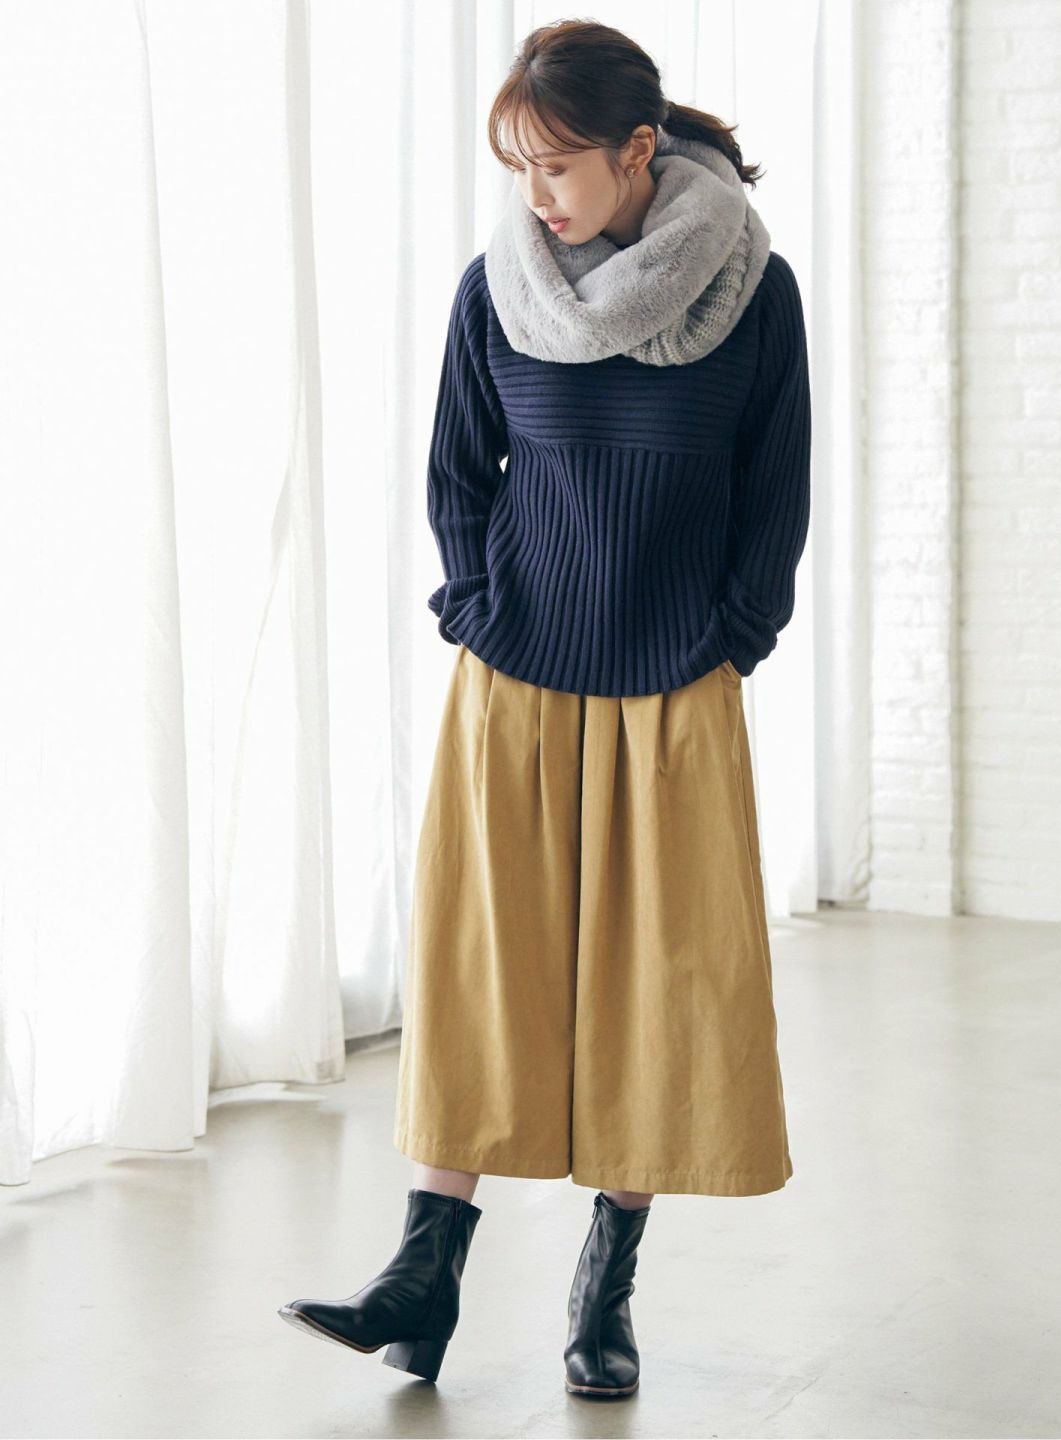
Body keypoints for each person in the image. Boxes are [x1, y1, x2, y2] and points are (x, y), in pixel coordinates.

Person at [278, 17, 811, 1400]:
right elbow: (459, 470)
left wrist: (734, 639)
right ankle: (423, 1277)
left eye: (558, 164)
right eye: (518, 166)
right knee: (480, 966)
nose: (537, 194)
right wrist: (475, 606)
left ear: (638, 151)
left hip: (673, 687)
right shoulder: (496, 288)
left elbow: (775, 490)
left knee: (656, 984)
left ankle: (604, 1288)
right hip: (515, 678)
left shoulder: (753, 293)